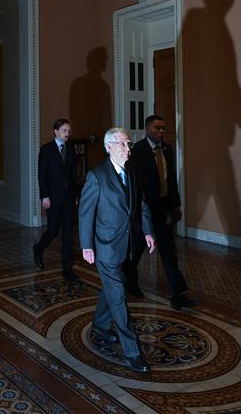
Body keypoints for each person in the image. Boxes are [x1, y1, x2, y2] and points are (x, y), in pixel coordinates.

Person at [79, 127, 156, 373]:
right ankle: (132, 352)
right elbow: (85, 214)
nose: (128, 148)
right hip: (105, 247)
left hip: (129, 245)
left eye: (128, 144)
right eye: (123, 144)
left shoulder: (132, 170)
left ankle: (100, 324)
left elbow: (140, 205)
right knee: (119, 298)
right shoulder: (96, 176)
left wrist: (147, 231)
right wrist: (86, 245)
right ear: (109, 146)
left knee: (113, 290)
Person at [124, 115, 194, 309]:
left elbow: (171, 181)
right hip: (143, 211)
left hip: (164, 209)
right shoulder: (137, 151)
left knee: (169, 252)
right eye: (157, 128)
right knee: (136, 251)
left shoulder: (167, 150)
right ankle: (128, 283)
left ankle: (178, 295)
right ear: (147, 129)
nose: (161, 131)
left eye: (163, 128)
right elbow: (133, 184)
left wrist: (176, 205)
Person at [33, 118, 80, 281]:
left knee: (68, 233)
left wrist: (76, 196)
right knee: (53, 230)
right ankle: (38, 249)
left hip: (68, 197)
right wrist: (44, 196)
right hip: (52, 197)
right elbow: (42, 175)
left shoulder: (71, 149)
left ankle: (68, 269)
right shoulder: (46, 150)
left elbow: (74, 175)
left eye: (68, 131)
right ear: (55, 131)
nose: (68, 133)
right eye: (64, 131)